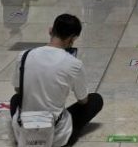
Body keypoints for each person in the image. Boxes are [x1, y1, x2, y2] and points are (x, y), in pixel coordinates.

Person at [11, 14, 103, 147]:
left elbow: (18, 89)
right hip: (56, 137)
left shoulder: (24, 56)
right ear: (73, 39)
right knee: (95, 100)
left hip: (24, 130)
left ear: (50, 30)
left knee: (15, 99)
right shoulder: (74, 64)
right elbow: (83, 100)